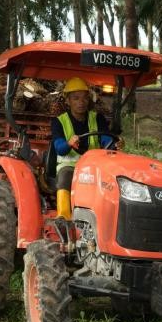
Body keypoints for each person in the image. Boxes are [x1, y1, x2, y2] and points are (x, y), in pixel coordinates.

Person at [50, 77, 123, 219]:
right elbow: (59, 148)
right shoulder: (59, 121)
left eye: (84, 98)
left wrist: (115, 144)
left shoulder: (97, 118)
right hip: (69, 166)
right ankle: (63, 218)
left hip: (94, 165)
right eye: (76, 98)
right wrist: (69, 143)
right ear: (68, 101)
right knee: (65, 177)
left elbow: (106, 139)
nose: (81, 102)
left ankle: (109, 217)